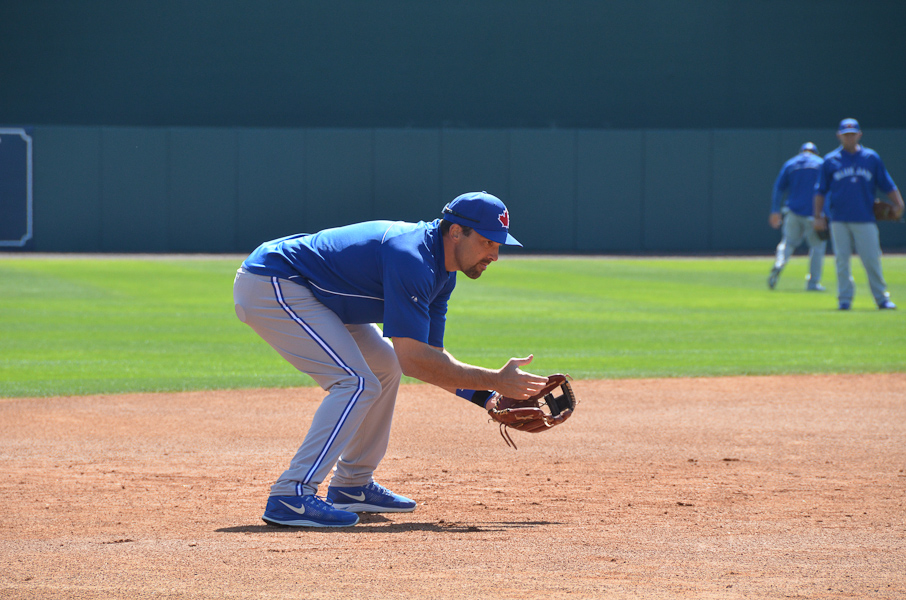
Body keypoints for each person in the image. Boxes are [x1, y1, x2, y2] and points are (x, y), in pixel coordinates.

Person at [232, 191, 550, 527]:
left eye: (499, 245)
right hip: (275, 281)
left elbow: (428, 357)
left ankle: (352, 485)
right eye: (488, 242)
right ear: (456, 231)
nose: (495, 255)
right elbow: (416, 361)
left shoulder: (442, 274)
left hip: (317, 294)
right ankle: (291, 495)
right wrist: (494, 379)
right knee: (356, 383)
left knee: (384, 367)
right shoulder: (411, 257)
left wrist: (488, 396)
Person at [813, 119, 905, 310]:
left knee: (872, 259)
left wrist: (899, 203)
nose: (849, 137)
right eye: (846, 134)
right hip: (839, 219)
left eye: (852, 133)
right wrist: (818, 215)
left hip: (865, 218)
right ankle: (844, 299)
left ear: (859, 134)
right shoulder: (830, 160)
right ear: (839, 135)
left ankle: (882, 298)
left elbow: (887, 184)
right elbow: (820, 191)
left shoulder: (871, 158)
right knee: (842, 261)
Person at [767, 142, 827, 291]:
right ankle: (813, 283)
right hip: (814, 214)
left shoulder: (791, 163)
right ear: (816, 152)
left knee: (788, 242)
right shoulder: (821, 163)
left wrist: (775, 210)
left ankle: (780, 262)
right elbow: (829, 190)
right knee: (817, 247)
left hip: (793, 211)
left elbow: (778, 188)